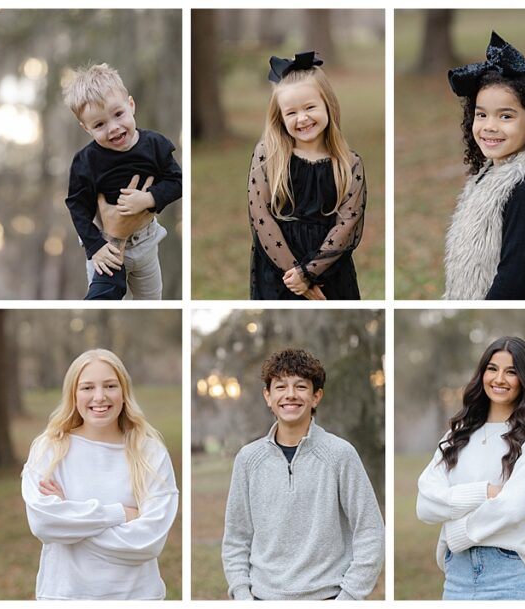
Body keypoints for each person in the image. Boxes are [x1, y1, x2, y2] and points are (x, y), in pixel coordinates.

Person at [222, 348, 383, 600]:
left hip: (327, 596)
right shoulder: (248, 459)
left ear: (316, 396)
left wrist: (349, 598)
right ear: (267, 396)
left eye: (300, 387)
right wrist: (243, 596)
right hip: (263, 597)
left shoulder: (340, 454)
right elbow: (236, 537)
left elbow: (370, 530)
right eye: (280, 387)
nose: (290, 395)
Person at [22, 349, 179, 599]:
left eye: (110, 386)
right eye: (87, 388)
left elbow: (149, 541)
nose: (99, 397)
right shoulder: (49, 449)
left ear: (124, 392)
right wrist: (120, 514)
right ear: (73, 395)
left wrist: (69, 517)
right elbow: (44, 523)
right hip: (65, 596)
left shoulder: (150, 452)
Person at [417, 337, 525, 600]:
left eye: (511, 372)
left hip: (513, 575)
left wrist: (456, 531)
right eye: (492, 369)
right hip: (457, 578)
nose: (499, 379)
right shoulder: (456, 435)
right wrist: (488, 492)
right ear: (482, 373)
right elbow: (425, 505)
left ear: (524, 379)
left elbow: (513, 508)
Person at [444, 32, 525, 300]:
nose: (490, 125)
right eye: (481, 114)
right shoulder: (487, 176)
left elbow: (515, 277)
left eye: (506, 116)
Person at [249, 52, 367, 300]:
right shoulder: (268, 155)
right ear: (280, 117)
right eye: (291, 113)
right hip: (279, 271)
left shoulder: (349, 163)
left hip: (330, 268)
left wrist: (309, 273)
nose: (302, 118)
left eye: (310, 107)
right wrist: (297, 277)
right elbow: (261, 217)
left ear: (328, 105)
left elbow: (347, 224)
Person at [63, 63, 182, 300]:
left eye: (118, 115)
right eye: (99, 125)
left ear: (131, 105)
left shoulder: (155, 145)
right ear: (86, 128)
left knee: (152, 301)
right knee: (108, 298)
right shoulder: (86, 161)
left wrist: (148, 198)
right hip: (106, 247)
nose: (114, 128)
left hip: (146, 243)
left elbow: (177, 181)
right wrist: (94, 247)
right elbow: (77, 206)